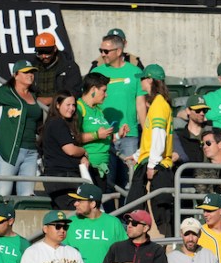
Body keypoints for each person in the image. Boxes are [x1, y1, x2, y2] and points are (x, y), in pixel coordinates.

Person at [0, 59, 43, 196]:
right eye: (26, 72)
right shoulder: (4, 92)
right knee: (3, 193)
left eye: (32, 72)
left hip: (31, 151)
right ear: (15, 75)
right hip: (9, 150)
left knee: (27, 195)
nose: (30, 75)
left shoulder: (33, 95)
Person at [90, 32, 145, 195]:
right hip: (104, 136)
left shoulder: (135, 72)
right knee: (107, 181)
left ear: (119, 51)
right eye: (101, 50)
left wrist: (146, 130)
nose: (102, 54)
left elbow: (141, 104)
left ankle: (125, 218)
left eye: (106, 51)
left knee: (128, 183)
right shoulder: (97, 72)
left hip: (130, 135)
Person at [130, 63, 177, 233]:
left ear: (149, 80)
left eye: (142, 79)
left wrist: (151, 165)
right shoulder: (160, 103)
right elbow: (152, 137)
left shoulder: (158, 104)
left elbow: (159, 136)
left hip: (156, 168)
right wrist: (137, 154)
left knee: (158, 217)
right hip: (154, 162)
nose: (141, 83)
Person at [40, 91, 88, 208]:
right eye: (68, 105)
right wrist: (84, 151)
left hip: (65, 176)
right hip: (61, 177)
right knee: (76, 210)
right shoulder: (57, 123)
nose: (72, 108)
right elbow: (70, 150)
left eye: (74, 105)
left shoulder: (62, 123)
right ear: (57, 105)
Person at [76, 72, 115, 191]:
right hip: (87, 166)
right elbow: (73, 137)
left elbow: (103, 136)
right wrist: (97, 135)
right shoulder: (79, 107)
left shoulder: (98, 110)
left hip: (101, 167)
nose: (106, 95)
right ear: (93, 89)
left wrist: (117, 135)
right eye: (104, 90)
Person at [30, 31, 82, 106]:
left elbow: (74, 92)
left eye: (47, 52)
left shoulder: (69, 67)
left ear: (55, 49)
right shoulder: (31, 66)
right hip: (35, 106)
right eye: (40, 52)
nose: (44, 56)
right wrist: (34, 99)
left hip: (60, 107)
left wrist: (51, 100)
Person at [172, 98, 212, 168]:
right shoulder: (178, 136)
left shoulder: (212, 133)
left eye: (204, 110)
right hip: (186, 176)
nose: (202, 113)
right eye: (198, 110)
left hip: (208, 175)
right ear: (188, 111)